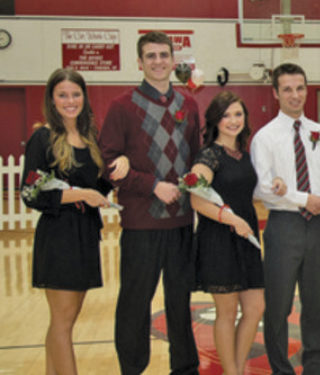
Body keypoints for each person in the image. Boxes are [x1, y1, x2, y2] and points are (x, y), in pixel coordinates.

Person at [98, 30, 202, 375]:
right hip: (141, 224)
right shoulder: (121, 106)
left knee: (179, 303)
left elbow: (196, 159)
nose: (158, 62)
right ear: (139, 62)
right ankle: (132, 369)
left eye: (163, 55)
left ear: (174, 61)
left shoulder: (188, 104)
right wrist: (152, 185)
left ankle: (184, 368)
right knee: (134, 303)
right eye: (151, 56)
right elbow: (109, 164)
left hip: (182, 223)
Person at [21, 68, 126, 375]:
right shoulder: (42, 139)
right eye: (63, 95)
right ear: (52, 100)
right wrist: (79, 195)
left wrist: (118, 169)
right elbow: (30, 194)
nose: (70, 101)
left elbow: (98, 188)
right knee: (63, 321)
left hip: (85, 236)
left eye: (76, 94)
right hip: (58, 237)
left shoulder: (91, 136)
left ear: (84, 97)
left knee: (64, 321)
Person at [250, 62, 320, 375]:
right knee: (278, 304)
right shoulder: (265, 138)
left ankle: (316, 363)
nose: (295, 95)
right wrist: (305, 199)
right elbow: (264, 189)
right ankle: (280, 368)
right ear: (276, 93)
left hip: (318, 226)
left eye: (300, 88)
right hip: (284, 225)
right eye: (287, 89)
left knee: (316, 300)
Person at [190, 91, 264, 375]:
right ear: (215, 122)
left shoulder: (243, 154)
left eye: (238, 114)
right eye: (225, 116)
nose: (233, 120)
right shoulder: (209, 155)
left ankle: (237, 367)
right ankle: (231, 372)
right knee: (227, 312)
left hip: (246, 238)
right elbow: (197, 199)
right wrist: (230, 219)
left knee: (255, 308)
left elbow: (241, 192)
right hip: (219, 239)